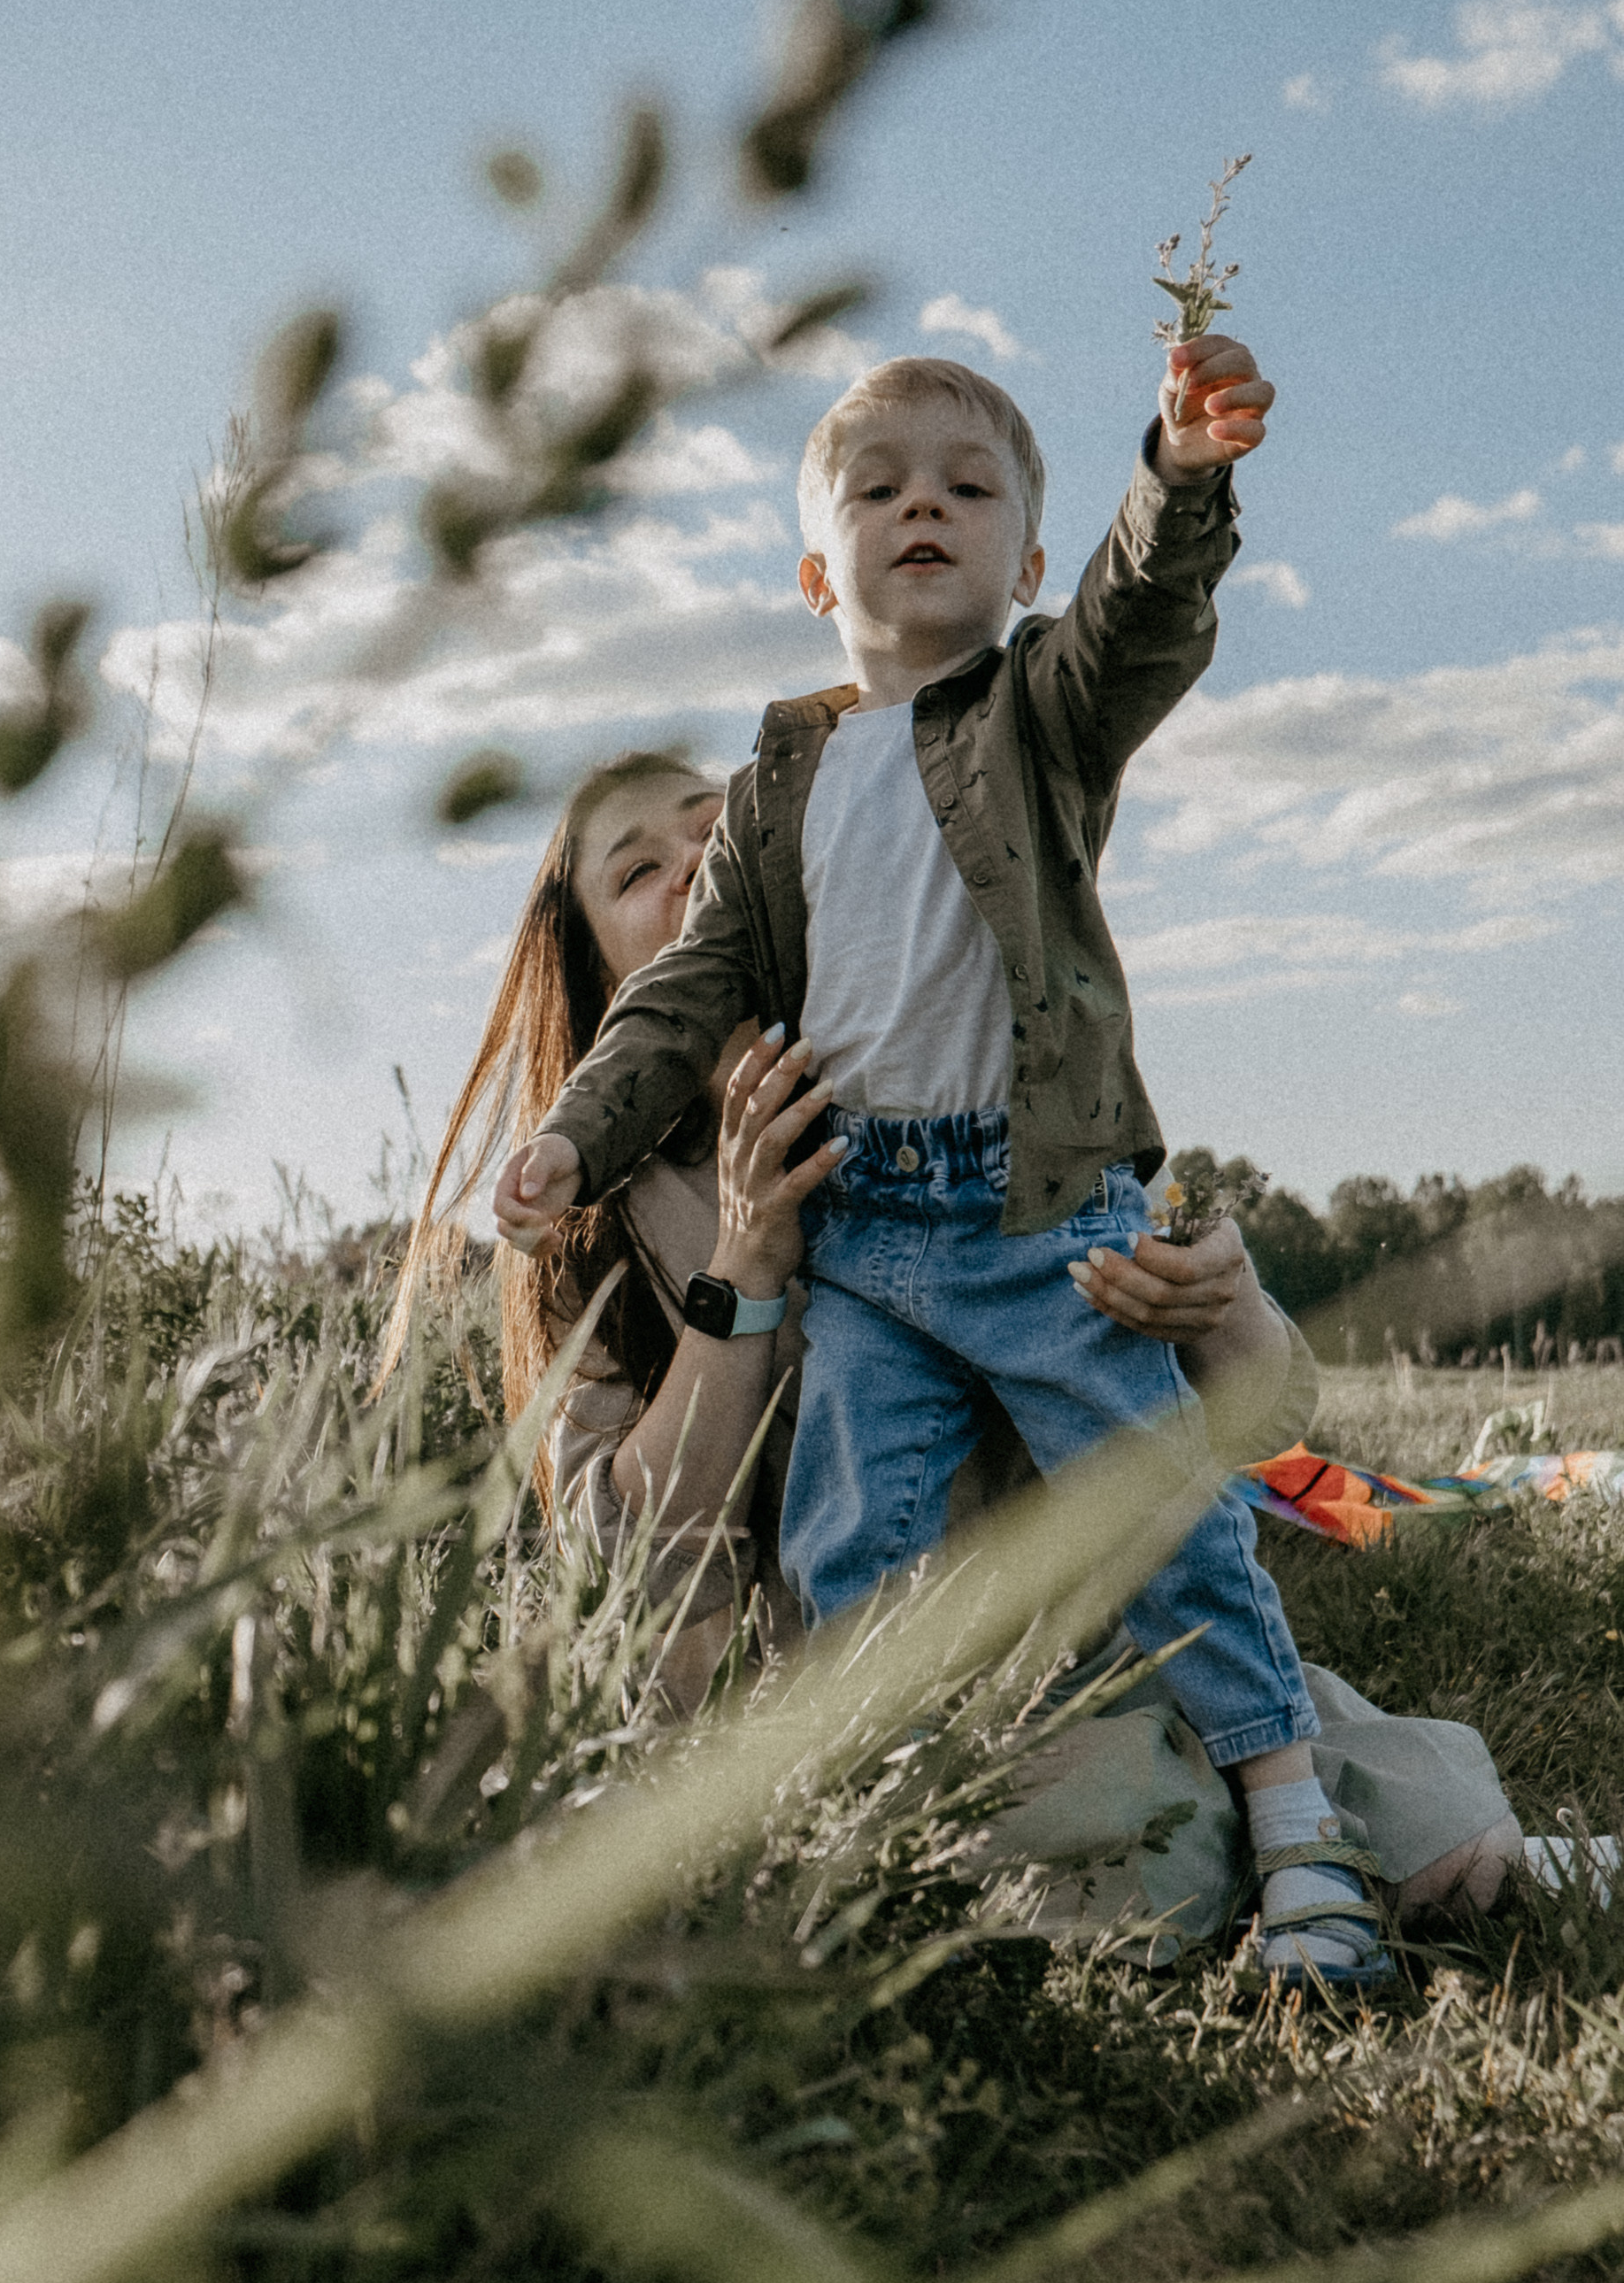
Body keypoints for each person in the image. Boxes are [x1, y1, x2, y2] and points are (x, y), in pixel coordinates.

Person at [482, 342, 1392, 1986]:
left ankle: (1299, 1828)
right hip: (870, 1247)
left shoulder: (1031, 709)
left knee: (1168, 1514)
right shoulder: (781, 794)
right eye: (640, 873)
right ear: (815, 568)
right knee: (849, 1542)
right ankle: (884, 1843)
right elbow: (693, 985)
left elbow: (1139, 619)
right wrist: (579, 1136)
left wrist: (1178, 483)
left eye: (967, 491)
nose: (925, 505)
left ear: (1023, 560)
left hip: (1031, 1204)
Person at [386, 752, 1520, 1959]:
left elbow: (1264, 1414)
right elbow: (637, 1556)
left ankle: (1308, 1837)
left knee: (1454, 1846)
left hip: (1074, 1649)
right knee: (1193, 1839)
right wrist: (747, 1260)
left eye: (712, 840)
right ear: (597, 966)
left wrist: (1217, 1296)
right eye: (634, 873)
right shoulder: (592, 1217)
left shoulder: (979, 1087)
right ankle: (1266, 1851)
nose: (688, 878)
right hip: (839, 1692)